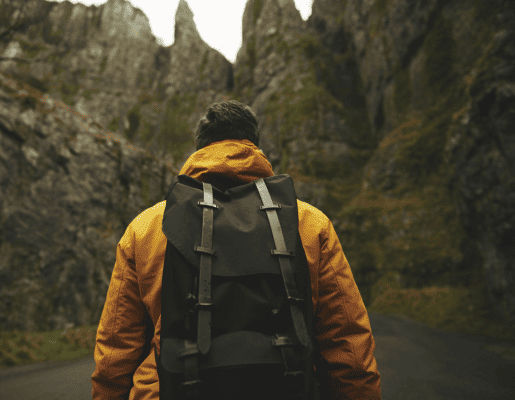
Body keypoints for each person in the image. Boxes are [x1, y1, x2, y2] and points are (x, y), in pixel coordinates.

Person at [91, 100, 382, 399]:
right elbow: (347, 346)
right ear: (253, 145)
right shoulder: (309, 222)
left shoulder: (147, 227)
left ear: (199, 148)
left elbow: (116, 353)